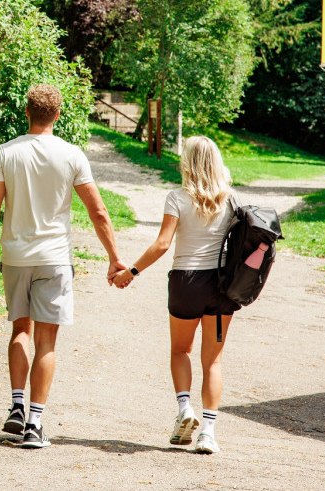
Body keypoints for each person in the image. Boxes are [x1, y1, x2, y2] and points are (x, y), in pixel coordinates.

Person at [0, 84, 126, 449]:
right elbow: (98, 211)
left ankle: (16, 406)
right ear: (58, 115)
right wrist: (114, 257)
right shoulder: (72, 155)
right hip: (54, 259)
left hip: (15, 257)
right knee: (47, 342)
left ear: (27, 112)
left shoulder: (5, 153)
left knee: (19, 331)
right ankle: (35, 424)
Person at [111, 136, 239, 454]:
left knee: (180, 351)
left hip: (185, 282)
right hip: (222, 286)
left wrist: (131, 273)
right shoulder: (232, 200)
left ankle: (185, 410)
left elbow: (162, 244)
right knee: (213, 361)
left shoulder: (176, 198)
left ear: (188, 163)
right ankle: (208, 432)